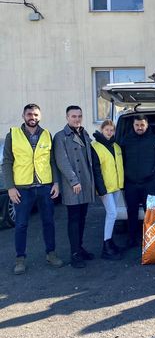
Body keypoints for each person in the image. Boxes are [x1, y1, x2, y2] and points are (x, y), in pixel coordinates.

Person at [2, 103, 63, 274]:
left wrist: (56, 183)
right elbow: (6, 162)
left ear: (40, 117)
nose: (32, 117)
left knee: (49, 222)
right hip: (22, 189)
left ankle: (51, 254)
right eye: (29, 114)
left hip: (45, 187)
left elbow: (52, 161)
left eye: (36, 114)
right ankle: (20, 259)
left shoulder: (46, 135)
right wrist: (10, 187)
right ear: (23, 116)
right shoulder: (13, 135)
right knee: (21, 225)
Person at [53, 106, 99, 268]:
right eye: (73, 116)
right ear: (67, 117)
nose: (77, 119)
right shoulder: (60, 137)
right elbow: (62, 161)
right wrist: (73, 181)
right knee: (73, 219)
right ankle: (74, 254)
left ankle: (79, 248)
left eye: (79, 116)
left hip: (85, 182)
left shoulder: (84, 133)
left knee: (82, 218)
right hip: (73, 185)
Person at [120, 115, 155, 248]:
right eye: (137, 125)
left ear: (147, 125)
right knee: (132, 212)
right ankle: (131, 238)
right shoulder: (126, 140)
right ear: (133, 125)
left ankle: (151, 239)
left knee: (150, 212)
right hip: (131, 183)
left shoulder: (154, 139)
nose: (140, 127)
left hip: (149, 183)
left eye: (142, 125)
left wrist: (153, 172)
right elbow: (119, 159)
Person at [91, 119, 124, 260]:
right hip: (105, 188)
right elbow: (96, 170)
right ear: (101, 130)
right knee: (112, 213)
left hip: (116, 186)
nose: (109, 132)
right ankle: (106, 246)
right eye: (107, 130)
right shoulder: (95, 146)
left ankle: (110, 242)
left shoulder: (116, 146)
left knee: (113, 215)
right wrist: (101, 189)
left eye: (112, 130)